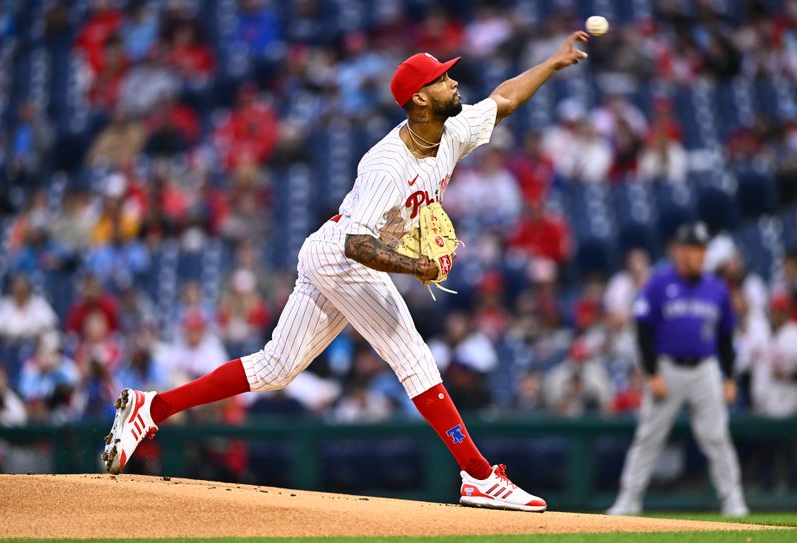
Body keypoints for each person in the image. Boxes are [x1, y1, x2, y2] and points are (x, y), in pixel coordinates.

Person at [102, 32, 591, 512]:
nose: (453, 81)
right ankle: (480, 476)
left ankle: (153, 407)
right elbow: (358, 244)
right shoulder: (385, 164)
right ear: (420, 98)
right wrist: (418, 265)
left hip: (329, 250)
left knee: (275, 369)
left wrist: (549, 63)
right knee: (414, 357)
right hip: (342, 256)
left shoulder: (452, 131)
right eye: (443, 78)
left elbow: (503, 100)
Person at [607, 222, 749, 517]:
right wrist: (652, 373)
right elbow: (643, 332)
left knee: (716, 437)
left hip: (705, 370)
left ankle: (733, 501)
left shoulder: (717, 288)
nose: (699, 255)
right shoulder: (659, 283)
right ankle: (629, 499)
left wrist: (730, 377)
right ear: (680, 252)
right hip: (667, 368)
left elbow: (725, 337)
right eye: (694, 249)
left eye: (702, 250)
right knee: (649, 437)